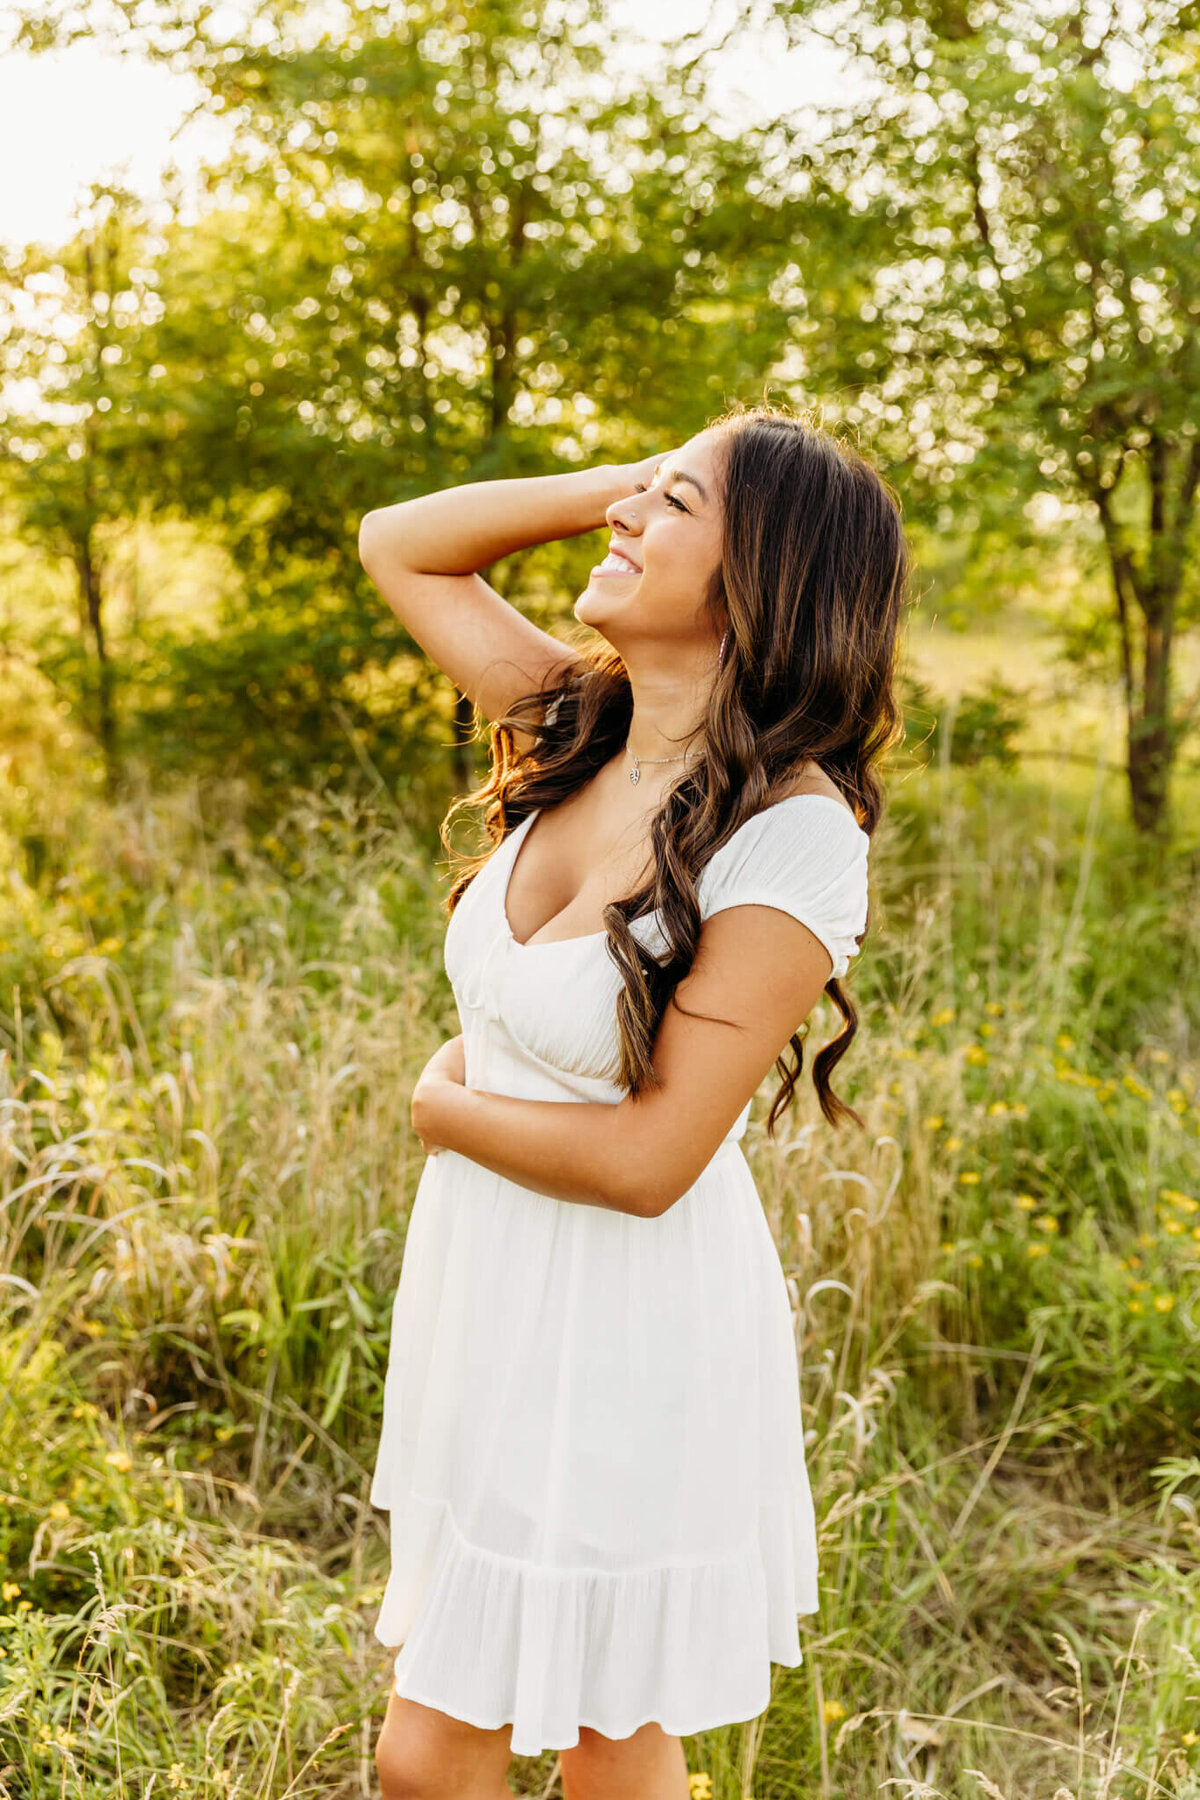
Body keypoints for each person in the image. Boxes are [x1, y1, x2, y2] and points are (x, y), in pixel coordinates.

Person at [356, 401, 909, 1800]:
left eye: (673, 510)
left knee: (480, 1753)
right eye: (639, 496)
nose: (622, 520)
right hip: (491, 1291)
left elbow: (659, 1155)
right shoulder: (574, 721)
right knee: (582, 1738)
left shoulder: (793, 833)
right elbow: (401, 545)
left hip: (629, 1325)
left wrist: (442, 1111)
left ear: (762, 578)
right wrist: (645, 481)